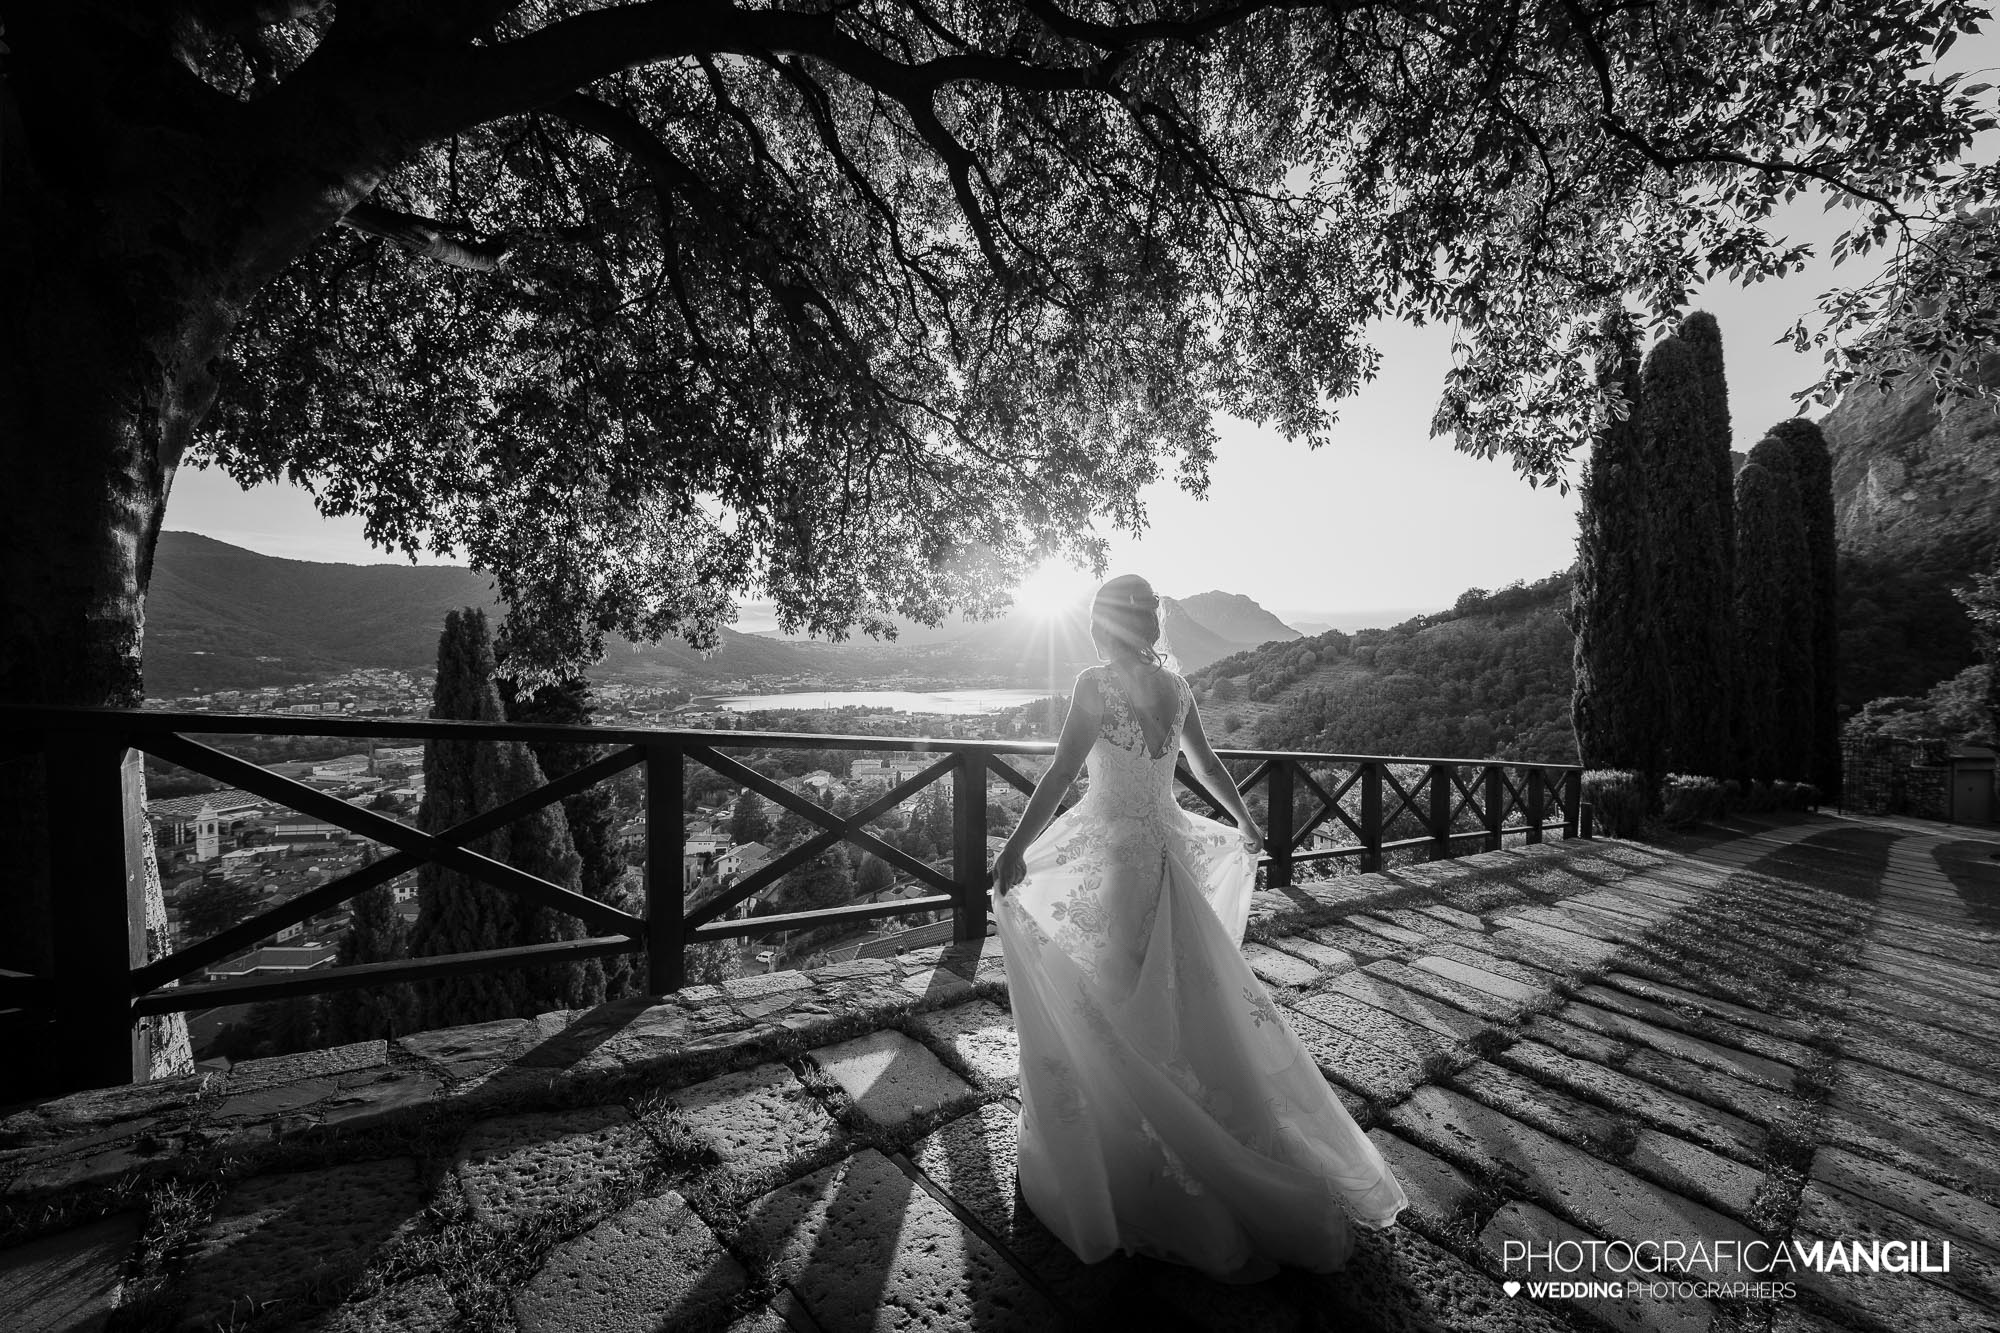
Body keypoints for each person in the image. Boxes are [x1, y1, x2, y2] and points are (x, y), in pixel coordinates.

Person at [992, 574, 1407, 1283]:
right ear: (1150, 624)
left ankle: (1140, 1143)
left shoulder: (1094, 684)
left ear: (1102, 624)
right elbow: (1206, 766)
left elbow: (1064, 771)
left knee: (1119, 998)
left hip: (1117, 859)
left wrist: (1014, 848)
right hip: (1169, 852)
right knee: (1181, 992)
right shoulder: (1177, 688)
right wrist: (1246, 823)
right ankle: (1192, 1121)